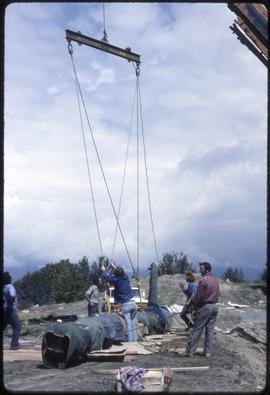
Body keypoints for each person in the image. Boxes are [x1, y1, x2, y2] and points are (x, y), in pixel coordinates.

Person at [185, 262, 220, 358]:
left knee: (197, 329)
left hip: (206, 307)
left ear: (206, 270)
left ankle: (190, 351)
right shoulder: (215, 280)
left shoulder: (203, 281)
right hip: (214, 307)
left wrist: (191, 302)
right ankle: (208, 352)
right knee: (210, 331)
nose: (200, 270)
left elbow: (198, 296)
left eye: (201, 269)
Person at [101, 264, 138, 342]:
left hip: (126, 305)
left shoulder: (116, 280)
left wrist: (104, 271)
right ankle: (136, 341)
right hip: (134, 303)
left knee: (129, 326)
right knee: (133, 324)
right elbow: (119, 273)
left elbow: (107, 278)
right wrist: (114, 267)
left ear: (116, 275)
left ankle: (131, 343)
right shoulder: (126, 277)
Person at [3, 272, 21, 350]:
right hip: (10, 309)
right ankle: (14, 345)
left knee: (3, 327)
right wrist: (10, 301)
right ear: (9, 279)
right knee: (17, 326)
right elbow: (12, 295)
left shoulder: (3, 287)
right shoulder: (10, 287)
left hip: (3, 309)